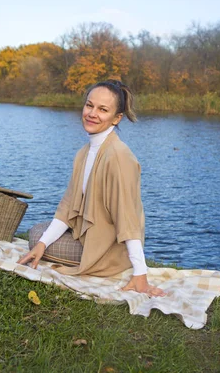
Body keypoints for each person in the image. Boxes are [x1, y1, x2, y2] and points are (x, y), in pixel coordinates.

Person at [18, 79, 166, 297]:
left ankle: (117, 266)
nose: (92, 113)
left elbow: (128, 218)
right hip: (88, 235)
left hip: (109, 251)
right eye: (90, 105)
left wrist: (140, 274)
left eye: (103, 109)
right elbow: (68, 206)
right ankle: (45, 243)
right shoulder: (84, 153)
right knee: (40, 235)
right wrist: (42, 244)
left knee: (35, 235)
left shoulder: (118, 157)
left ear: (117, 118)